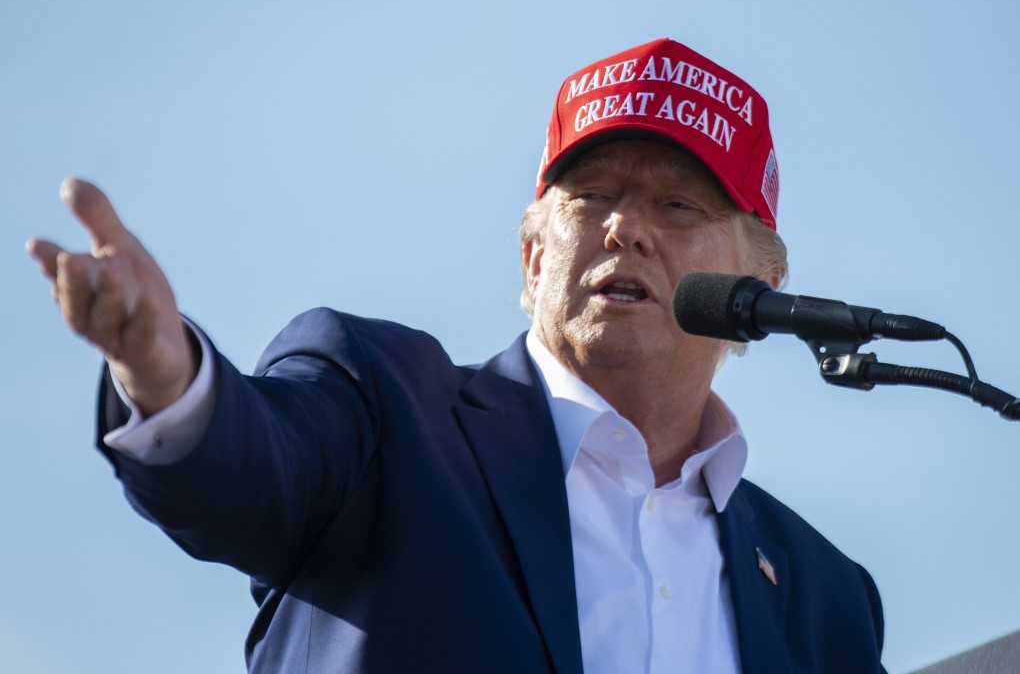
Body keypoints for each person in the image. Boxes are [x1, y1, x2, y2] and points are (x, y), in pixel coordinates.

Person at [28, 39, 886, 673]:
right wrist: (167, 372)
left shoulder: (824, 595)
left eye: (677, 205)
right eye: (593, 197)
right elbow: (248, 462)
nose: (626, 227)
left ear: (760, 282)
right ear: (534, 257)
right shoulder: (384, 409)